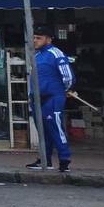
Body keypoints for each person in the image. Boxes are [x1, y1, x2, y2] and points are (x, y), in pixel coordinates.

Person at [26, 25, 75, 172]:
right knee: (43, 132)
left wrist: (61, 91)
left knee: (56, 129)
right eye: (34, 37)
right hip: (37, 99)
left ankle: (64, 160)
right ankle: (44, 160)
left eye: (38, 38)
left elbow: (68, 77)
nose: (35, 40)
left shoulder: (56, 54)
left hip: (52, 99)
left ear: (48, 39)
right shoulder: (36, 56)